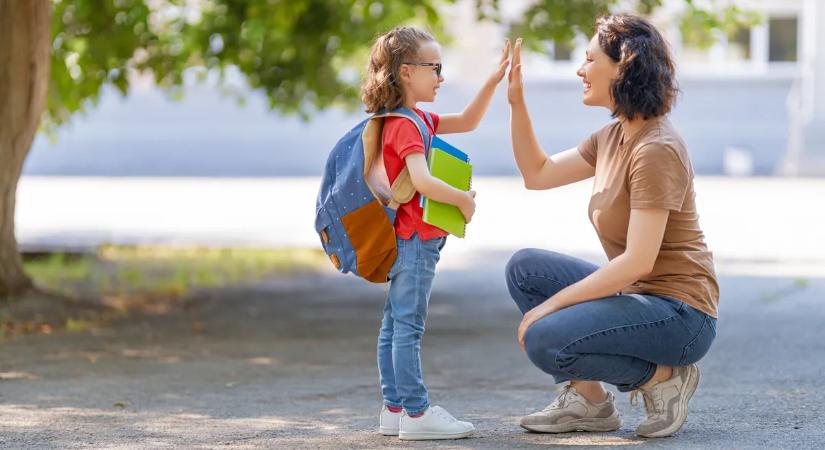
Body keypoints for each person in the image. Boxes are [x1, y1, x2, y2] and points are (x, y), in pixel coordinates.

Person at [504, 15, 719, 438]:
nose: (580, 70)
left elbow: (637, 261)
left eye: (589, 59)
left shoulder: (656, 149)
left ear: (623, 66)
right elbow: (538, 173)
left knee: (545, 338)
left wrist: (550, 307)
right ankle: (590, 402)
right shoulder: (612, 137)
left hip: (681, 315)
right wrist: (516, 102)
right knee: (525, 268)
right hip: (641, 297)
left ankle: (663, 378)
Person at [361, 26, 509, 440]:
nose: (441, 77)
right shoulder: (407, 125)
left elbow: (468, 121)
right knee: (408, 327)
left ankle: (394, 409)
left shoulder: (411, 118)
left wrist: (494, 80)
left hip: (404, 240)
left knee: (393, 325)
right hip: (415, 241)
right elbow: (422, 181)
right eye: (435, 68)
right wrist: (463, 200)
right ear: (407, 72)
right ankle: (417, 412)